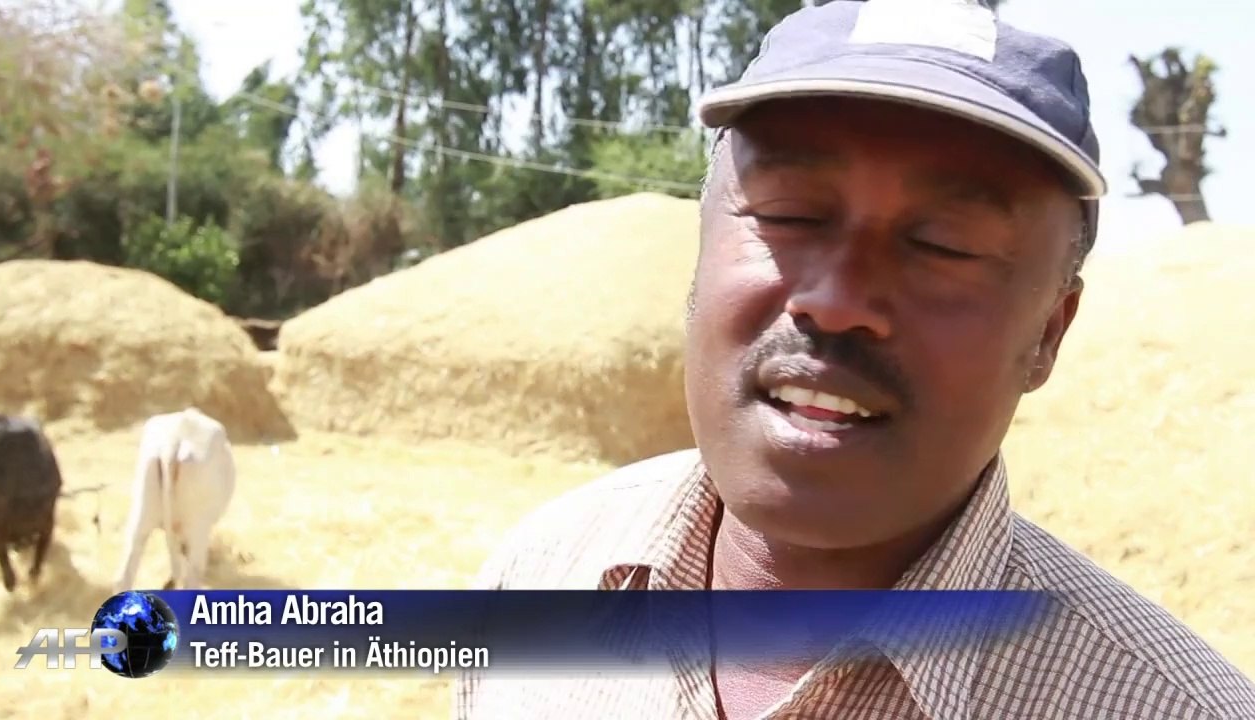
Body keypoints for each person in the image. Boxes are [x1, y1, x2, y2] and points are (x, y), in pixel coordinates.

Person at [454, 1, 1255, 718]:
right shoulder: (540, 576)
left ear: (1048, 333)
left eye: (943, 246)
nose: (836, 301)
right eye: (790, 215)